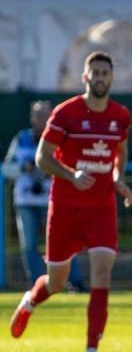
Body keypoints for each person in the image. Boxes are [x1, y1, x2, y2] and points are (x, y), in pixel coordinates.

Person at [9, 52, 132, 352]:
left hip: (102, 208)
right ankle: (30, 302)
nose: (100, 77)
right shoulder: (66, 113)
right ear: (85, 77)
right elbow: (42, 157)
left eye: (105, 73)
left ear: (112, 78)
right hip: (65, 208)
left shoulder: (120, 116)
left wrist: (119, 179)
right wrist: (71, 175)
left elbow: (120, 151)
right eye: (95, 72)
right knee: (56, 282)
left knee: (102, 275)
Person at [3, 100, 86, 291]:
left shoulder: (60, 137)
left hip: (54, 200)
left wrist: (51, 170)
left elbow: (72, 166)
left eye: (46, 115)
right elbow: (7, 168)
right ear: (32, 117)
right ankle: (36, 286)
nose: (42, 119)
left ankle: (75, 283)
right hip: (25, 201)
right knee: (29, 244)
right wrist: (24, 168)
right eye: (38, 115)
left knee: (64, 241)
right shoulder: (21, 138)